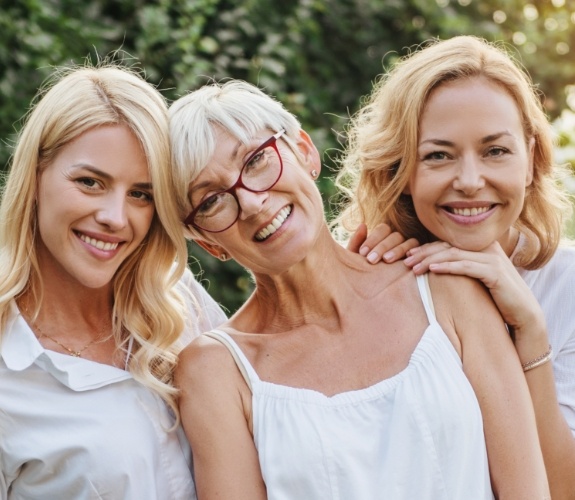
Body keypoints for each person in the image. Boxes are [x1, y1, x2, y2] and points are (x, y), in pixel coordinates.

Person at [170, 79, 549, 499]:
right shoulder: (215, 372)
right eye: (211, 201)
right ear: (206, 241)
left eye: (257, 160)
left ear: (304, 151)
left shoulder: (446, 288)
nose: (253, 202)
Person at [334, 35, 575, 498]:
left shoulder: (566, 285)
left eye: (495, 151)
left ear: (531, 159)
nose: (468, 181)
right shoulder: (370, 271)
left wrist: (531, 332)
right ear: (400, 170)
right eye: (438, 155)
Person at [0, 63, 226, 499]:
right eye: (90, 182)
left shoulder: (180, 305)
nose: (114, 218)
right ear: (35, 178)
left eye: (141, 194)